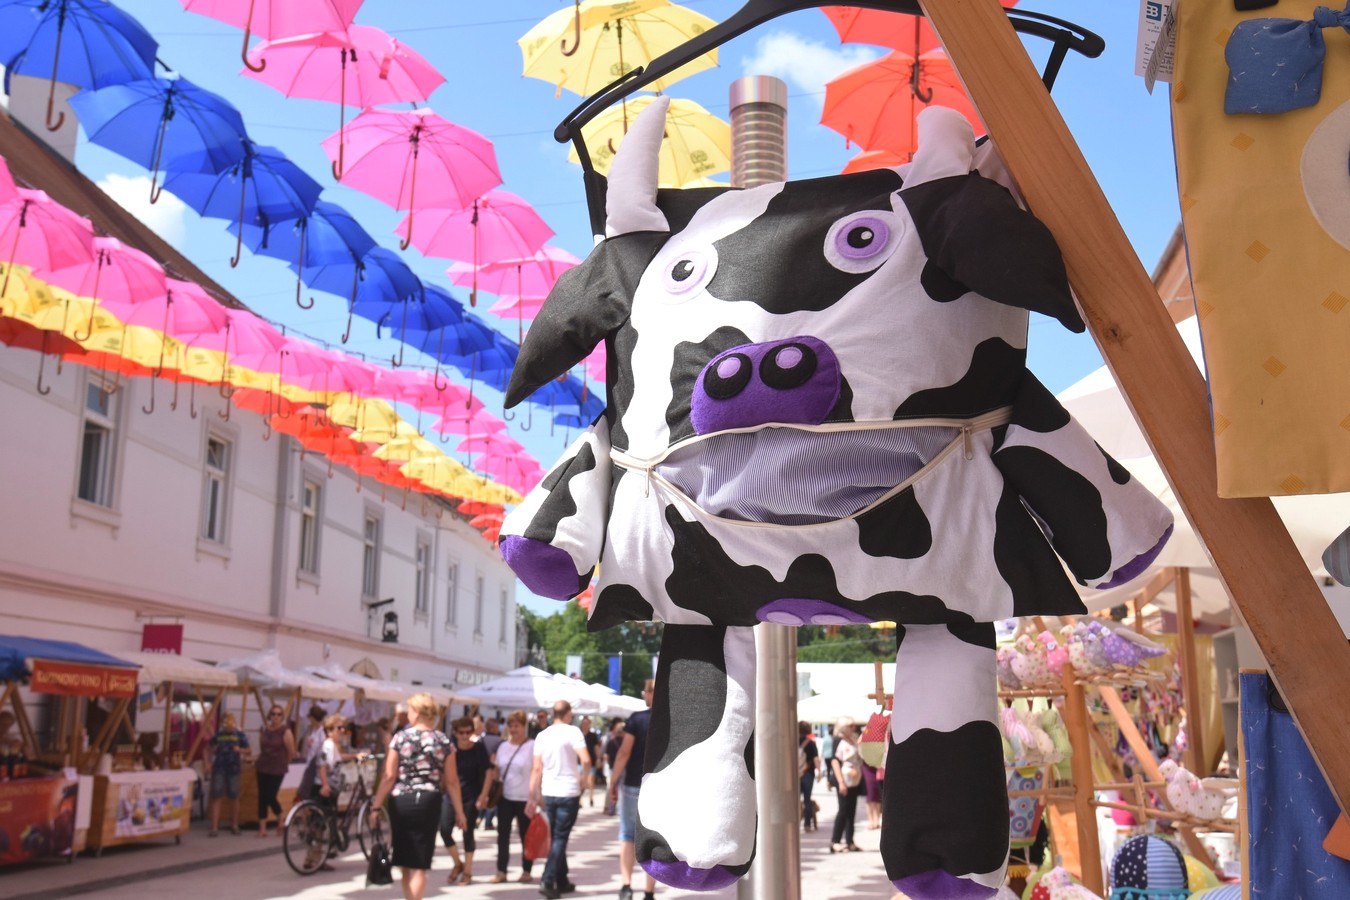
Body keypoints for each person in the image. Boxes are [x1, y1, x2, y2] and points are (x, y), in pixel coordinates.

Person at [369, 693, 464, 900]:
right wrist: (459, 811)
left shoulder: (401, 738)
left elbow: (388, 776)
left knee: (404, 859)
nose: (407, 714)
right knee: (420, 862)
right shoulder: (443, 740)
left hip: (402, 800)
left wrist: (376, 806)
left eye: (410, 711)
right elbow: (452, 781)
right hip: (429, 800)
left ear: (418, 713)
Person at [527, 699, 591, 900]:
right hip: (569, 791)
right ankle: (548, 879)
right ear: (568, 713)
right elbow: (586, 760)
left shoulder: (542, 735)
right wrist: (583, 781)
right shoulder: (573, 732)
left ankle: (562, 881)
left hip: (549, 792)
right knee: (560, 838)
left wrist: (532, 794)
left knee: (555, 838)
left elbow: (537, 768)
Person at [608, 679, 657, 900]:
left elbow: (624, 753)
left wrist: (612, 781)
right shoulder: (670, 720)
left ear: (648, 693)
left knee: (628, 836)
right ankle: (649, 891)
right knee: (654, 840)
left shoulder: (636, 720)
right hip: (659, 787)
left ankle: (626, 886)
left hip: (632, 786)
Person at [441, 715, 496, 885]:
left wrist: (483, 795)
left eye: (468, 732)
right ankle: (458, 863)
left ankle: (468, 871)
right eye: (461, 733)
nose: (465, 736)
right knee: (444, 830)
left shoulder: (478, 748)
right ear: (455, 733)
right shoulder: (450, 749)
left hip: (471, 796)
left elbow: (488, 772)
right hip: (450, 796)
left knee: (468, 833)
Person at [490, 709, 536, 884]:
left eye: (517, 726)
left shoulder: (532, 746)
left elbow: (537, 771)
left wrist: (535, 796)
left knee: (526, 836)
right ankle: (501, 870)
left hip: (525, 797)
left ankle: (526, 870)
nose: (513, 729)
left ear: (524, 726)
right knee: (503, 835)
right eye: (511, 726)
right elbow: (497, 772)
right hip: (506, 798)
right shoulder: (502, 746)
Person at [256, 704, 296, 837]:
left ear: (282, 717)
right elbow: (262, 746)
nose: (276, 717)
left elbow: (291, 750)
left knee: (270, 795)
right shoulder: (265, 729)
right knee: (262, 795)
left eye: (279, 714)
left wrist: (285, 761)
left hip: (278, 766)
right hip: (263, 764)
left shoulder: (285, 731)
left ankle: (281, 816)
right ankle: (262, 828)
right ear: (269, 715)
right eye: (273, 714)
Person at [206, 712, 249, 837]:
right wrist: (208, 763)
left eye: (230, 722)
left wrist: (239, 750)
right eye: (225, 722)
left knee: (234, 797)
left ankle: (234, 824)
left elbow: (248, 749)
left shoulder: (239, 735)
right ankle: (214, 827)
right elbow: (208, 747)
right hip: (219, 768)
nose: (228, 725)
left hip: (234, 768)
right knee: (216, 796)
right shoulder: (218, 735)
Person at [828, 718, 864, 853]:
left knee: (851, 810)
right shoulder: (838, 740)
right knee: (843, 810)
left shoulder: (853, 739)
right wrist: (841, 782)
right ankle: (835, 841)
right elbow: (835, 761)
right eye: (850, 725)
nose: (853, 727)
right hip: (843, 778)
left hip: (854, 779)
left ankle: (850, 840)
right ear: (843, 727)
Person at [479, 717, 504, 832]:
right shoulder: (499, 741)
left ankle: (478, 818)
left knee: (482, 795)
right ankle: (488, 821)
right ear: (495, 727)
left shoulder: (480, 740)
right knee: (494, 797)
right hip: (494, 773)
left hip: (481, 773)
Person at [798, 720, 821, 833]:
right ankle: (807, 825)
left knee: (794, 801)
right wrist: (820, 772)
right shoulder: (811, 743)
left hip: (795, 775)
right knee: (807, 800)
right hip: (808, 774)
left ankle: (794, 822)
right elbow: (816, 759)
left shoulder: (792, 742)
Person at [602, 719, 625, 815]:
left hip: (612, 768)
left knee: (611, 788)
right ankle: (620, 809)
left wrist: (610, 764)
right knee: (622, 789)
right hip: (624, 768)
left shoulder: (611, 742)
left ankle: (611, 807)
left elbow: (606, 756)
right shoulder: (626, 742)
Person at [581, 716, 603, 806]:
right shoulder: (579, 734)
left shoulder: (593, 736)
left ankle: (590, 798)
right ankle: (580, 800)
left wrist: (598, 759)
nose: (585, 725)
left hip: (591, 761)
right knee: (580, 781)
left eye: (587, 723)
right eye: (584, 723)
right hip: (579, 762)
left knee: (591, 781)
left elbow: (596, 748)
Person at [861, 756, 883, 830]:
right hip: (868, 765)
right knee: (870, 793)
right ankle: (871, 820)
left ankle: (876, 819)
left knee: (877, 792)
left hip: (879, 766)